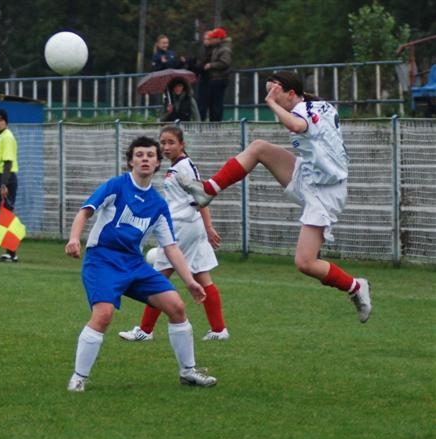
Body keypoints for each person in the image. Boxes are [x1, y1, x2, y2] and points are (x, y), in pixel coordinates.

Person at [177, 71, 373, 323]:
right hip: (310, 175)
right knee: (259, 148)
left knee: (305, 262)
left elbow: (297, 126)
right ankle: (208, 190)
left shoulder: (303, 110)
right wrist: (275, 100)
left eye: (274, 92)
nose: (270, 97)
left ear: (291, 93)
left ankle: (356, 286)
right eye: (268, 92)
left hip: (326, 191)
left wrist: (270, 104)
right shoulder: (314, 104)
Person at [65, 136, 217, 392]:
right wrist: (73, 239)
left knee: (176, 307)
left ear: (157, 163)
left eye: (150, 155)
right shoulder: (117, 185)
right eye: (139, 155)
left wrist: (190, 281)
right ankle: (79, 378)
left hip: (134, 264)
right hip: (102, 259)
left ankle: (188, 372)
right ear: (131, 161)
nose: (145, 159)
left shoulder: (158, 204)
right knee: (103, 315)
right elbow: (86, 210)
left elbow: (171, 247)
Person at [119, 126, 229, 342]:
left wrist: (208, 227)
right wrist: (206, 227)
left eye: (171, 142)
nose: (166, 147)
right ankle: (219, 330)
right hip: (190, 225)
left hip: (181, 228)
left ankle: (145, 331)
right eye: (163, 142)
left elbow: (201, 196)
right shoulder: (177, 166)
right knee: (202, 276)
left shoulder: (183, 167)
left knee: (158, 278)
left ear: (182, 144)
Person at [0, 109, 19, 262]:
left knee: (6, 213)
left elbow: (8, 162)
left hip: (5, 178)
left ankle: (12, 252)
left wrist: (3, 184)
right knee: (3, 213)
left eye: (1, 120)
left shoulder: (7, 137)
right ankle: (9, 251)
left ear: (6, 122)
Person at [204, 28, 232, 121]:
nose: (211, 40)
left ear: (219, 38)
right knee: (212, 103)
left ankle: (217, 122)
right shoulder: (217, 48)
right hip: (215, 78)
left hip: (220, 79)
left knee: (217, 103)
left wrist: (211, 65)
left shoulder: (225, 49)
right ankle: (214, 121)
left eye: (213, 38)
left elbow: (225, 63)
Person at [187, 31, 213, 121]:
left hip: (210, 79)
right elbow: (200, 65)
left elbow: (204, 66)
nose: (206, 41)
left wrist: (196, 66)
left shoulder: (213, 51)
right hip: (202, 79)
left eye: (208, 39)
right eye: (205, 39)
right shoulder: (202, 50)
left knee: (209, 103)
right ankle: (201, 120)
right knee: (201, 103)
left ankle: (207, 120)